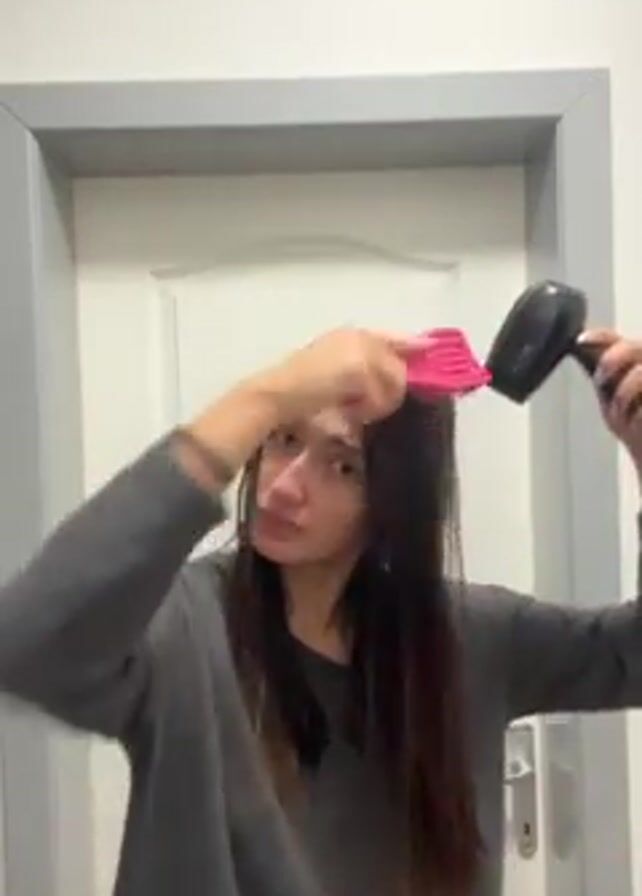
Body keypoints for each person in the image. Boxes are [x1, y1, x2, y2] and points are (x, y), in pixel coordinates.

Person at [0, 326, 640, 896]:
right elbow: (27, 643)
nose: (283, 487)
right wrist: (263, 395)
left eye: (342, 466)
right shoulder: (183, 625)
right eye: (283, 438)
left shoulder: (470, 637)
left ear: (393, 502)